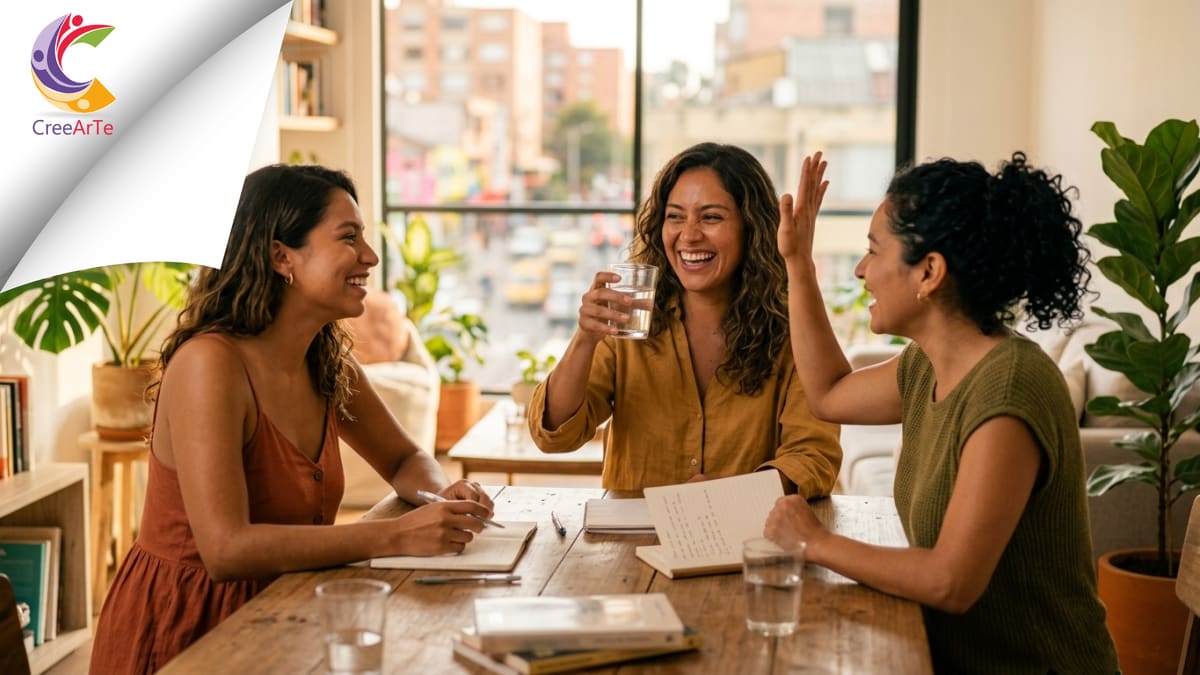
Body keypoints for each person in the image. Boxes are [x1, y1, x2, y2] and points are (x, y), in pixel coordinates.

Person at [90, 164, 494, 674]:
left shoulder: (324, 360)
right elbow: (226, 550)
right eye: (349, 238)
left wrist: (439, 494)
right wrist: (395, 534)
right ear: (282, 256)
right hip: (189, 630)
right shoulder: (209, 365)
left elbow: (405, 457)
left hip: (290, 611)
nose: (369, 257)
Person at [768, 151, 1118, 672]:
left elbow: (950, 582)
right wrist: (798, 264)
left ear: (929, 271)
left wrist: (815, 542)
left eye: (873, 251)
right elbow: (829, 393)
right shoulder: (925, 365)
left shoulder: (1011, 388)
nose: (862, 270)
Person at [528, 142, 842, 496]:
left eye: (711, 217)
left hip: (746, 537)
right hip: (634, 541)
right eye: (675, 216)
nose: (689, 235)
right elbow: (555, 436)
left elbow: (814, 457)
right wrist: (585, 339)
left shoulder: (792, 331)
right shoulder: (629, 315)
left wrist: (735, 492)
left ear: (750, 228)